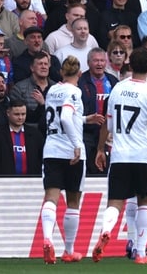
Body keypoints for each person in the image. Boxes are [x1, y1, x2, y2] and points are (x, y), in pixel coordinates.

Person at [92, 47, 147, 265]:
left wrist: (101, 148)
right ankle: (140, 253)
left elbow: (110, 124)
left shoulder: (118, 89)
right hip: (143, 155)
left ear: (130, 65)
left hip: (120, 154)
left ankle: (106, 230)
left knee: (115, 201)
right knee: (144, 202)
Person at [40, 56, 87, 264]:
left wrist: (85, 119)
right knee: (73, 201)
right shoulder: (74, 91)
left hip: (51, 149)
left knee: (51, 197)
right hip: (71, 152)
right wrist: (77, 144)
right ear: (80, 74)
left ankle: (48, 239)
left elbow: (61, 117)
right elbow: (66, 118)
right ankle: (68, 250)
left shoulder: (52, 90)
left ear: (61, 73)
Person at [0, 99, 44, 175]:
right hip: (4, 182)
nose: (20, 117)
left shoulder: (35, 134)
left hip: (31, 182)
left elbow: (41, 157)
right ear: (8, 113)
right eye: (17, 114)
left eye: (23, 114)